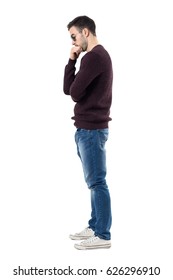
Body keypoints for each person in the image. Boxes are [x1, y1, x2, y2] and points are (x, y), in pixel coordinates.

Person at [63, 15, 113, 250]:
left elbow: (74, 92)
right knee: (94, 182)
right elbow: (68, 90)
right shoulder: (94, 57)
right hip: (88, 128)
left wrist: (76, 61)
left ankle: (103, 235)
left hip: (92, 130)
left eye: (74, 36)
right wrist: (71, 61)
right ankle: (95, 226)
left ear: (86, 32)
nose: (73, 42)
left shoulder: (94, 57)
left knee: (97, 182)